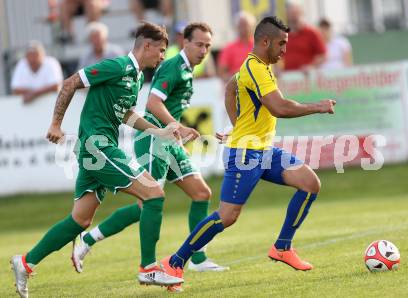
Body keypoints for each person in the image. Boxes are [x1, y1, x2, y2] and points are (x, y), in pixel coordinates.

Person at [158, 16, 336, 289]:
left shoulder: (258, 67)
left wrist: (236, 124)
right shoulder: (255, 68)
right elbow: (280, 107)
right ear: (265, 42)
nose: (285, 50)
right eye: (281, 44)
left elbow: (231, 87)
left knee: (310, 183)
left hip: (264, 150)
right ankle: (176, 262)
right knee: (227, 216)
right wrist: (318, 106)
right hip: (245, 154)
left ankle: (282, 247)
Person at [10, 22, 186, 298]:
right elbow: (70, 83)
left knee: (80, 220)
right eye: (161, 51)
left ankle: (25, 263)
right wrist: (56, 124)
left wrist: (158, 130)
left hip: (99, 150)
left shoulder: (137, 77)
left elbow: (126, 114)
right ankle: (148, 267)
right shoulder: (116, 66)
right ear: (147, 46)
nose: (162, 57)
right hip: (97, 147)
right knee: (153, 193)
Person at [71, 22, 228, 293]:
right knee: (149, 200)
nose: (204, 51)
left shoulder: (188, 69)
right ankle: (90, 239)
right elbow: (153, 104)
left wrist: (176, 130)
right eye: (199, 44)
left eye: (208, 46)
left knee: (201, 193)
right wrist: (174, 127)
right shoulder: (172, 66)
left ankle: (198, 259)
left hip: (170, 141)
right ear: (185, 42)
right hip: (154, 140)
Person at [283, 2, 326, 72]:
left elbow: (322, 55)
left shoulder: (312, 32)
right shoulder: (281, 34)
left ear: (302, 14)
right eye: (292, 13)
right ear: (287, 15)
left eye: (296, 13)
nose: (294, 16)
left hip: (306, 79)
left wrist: (311, 66)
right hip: (286, 78)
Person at [217, 11, 256, 82]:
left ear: (252, 27)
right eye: (242, 25)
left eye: (247, 25)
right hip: (237, 87)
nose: (245, 28)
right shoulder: (228, 48)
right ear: (236, 27)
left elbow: (273, 68)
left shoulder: (260, 46)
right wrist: (239, 74)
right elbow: (221, 73)